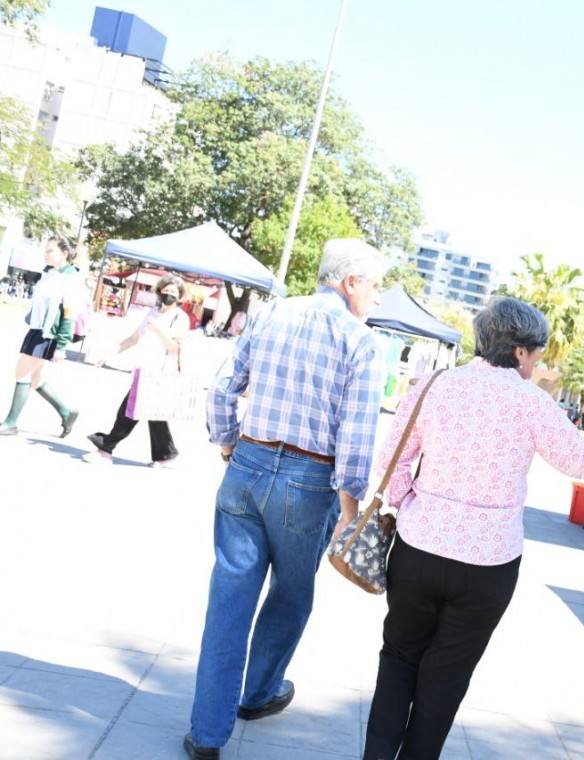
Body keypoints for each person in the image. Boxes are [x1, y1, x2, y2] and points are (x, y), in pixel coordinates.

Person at [362, 297, 584, 760]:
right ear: (520, 351)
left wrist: (412, 503)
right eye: (538, 353)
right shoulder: (532, 402)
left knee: (398, 659)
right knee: (446, 677)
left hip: (418, 548)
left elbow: (393, 460)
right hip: (487, 565)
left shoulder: (436, 384)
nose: (537, 363)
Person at [182, 243, 387, 760]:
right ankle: (257, 693)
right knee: (291, 594)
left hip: (248, 463)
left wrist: (227, 444)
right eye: (375, 285)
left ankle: (206, 733)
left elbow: (223, 389)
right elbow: (356, 434)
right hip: (310, 480)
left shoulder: (271, 312)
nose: (377, 297)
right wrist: (349, 512)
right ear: (350, 283)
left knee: (229, 598)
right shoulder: (360, 340)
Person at [84, 276, 191, 466]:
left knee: (128, 412)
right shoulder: (153, 312)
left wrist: (159, 331)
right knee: (153, 415)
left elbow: (177, 348)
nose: (169, 295)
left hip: (161, 374)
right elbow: (134, 338)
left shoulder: (180, 317)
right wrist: (111, 352)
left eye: (173, 292)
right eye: (166, 291)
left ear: (180, 296)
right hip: (144, 369)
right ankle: (166, 455)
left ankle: (105, 450)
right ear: (159, 292)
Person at [0, 236, 84, 437]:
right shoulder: (50, 272)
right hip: (37, 330)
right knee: (35, 379)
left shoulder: (70, 278)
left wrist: (61, 345)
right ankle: (66, 412)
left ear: (64, 253)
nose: (45, 254)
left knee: (21, 372)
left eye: (50, 250)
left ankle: (11, 423)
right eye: (46, 250)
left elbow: (70, 314)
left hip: (48, 334)